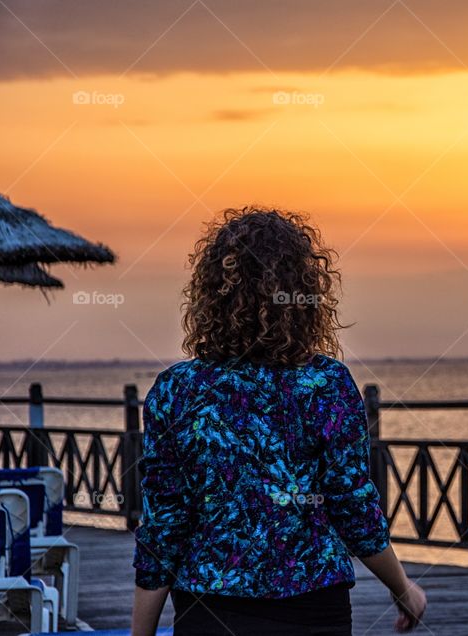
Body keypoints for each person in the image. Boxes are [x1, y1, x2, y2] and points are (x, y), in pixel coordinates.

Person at [131, 207, 427, 635]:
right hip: (313, 608)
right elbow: (351, 503)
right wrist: (402, 588)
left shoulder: (176, 390)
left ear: (211, 293)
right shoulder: (325, 383)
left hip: (211, 610)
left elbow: (164, 525)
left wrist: (141, 633)